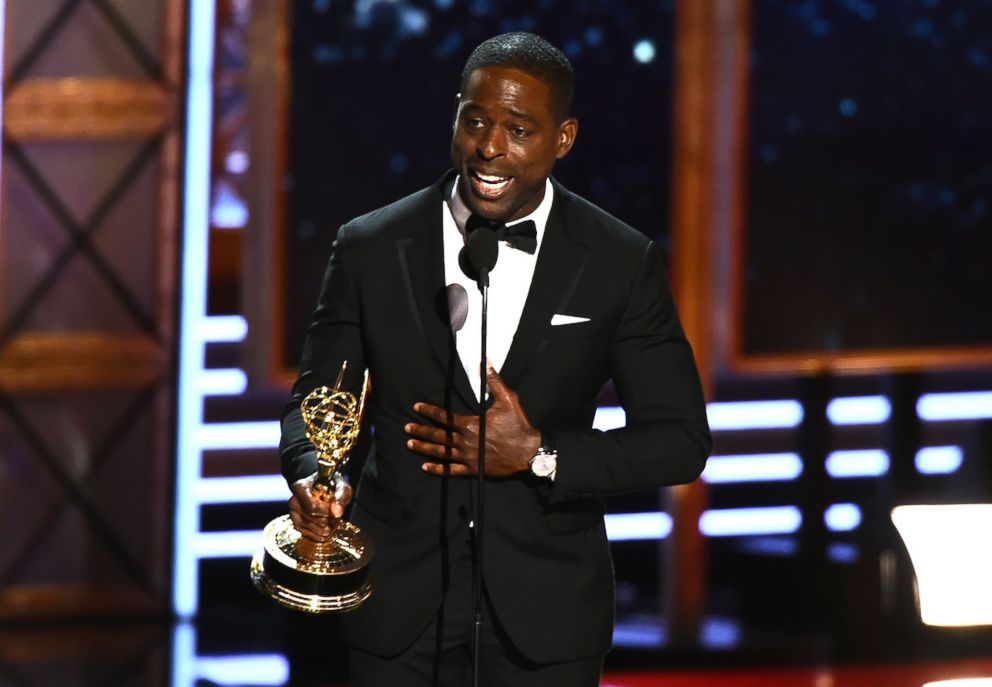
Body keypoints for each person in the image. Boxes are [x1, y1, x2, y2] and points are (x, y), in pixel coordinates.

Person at [280, 31, 711, 687]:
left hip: (547, 616)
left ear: (563, 139)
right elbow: (318, 399)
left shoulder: (619, 262)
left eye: (518, 129)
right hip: (397, 607)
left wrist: (540, 452)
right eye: (476, 121)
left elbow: (680, 441)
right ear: (456, 114)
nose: (489, 147)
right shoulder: (371, 246)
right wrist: (319, 474)